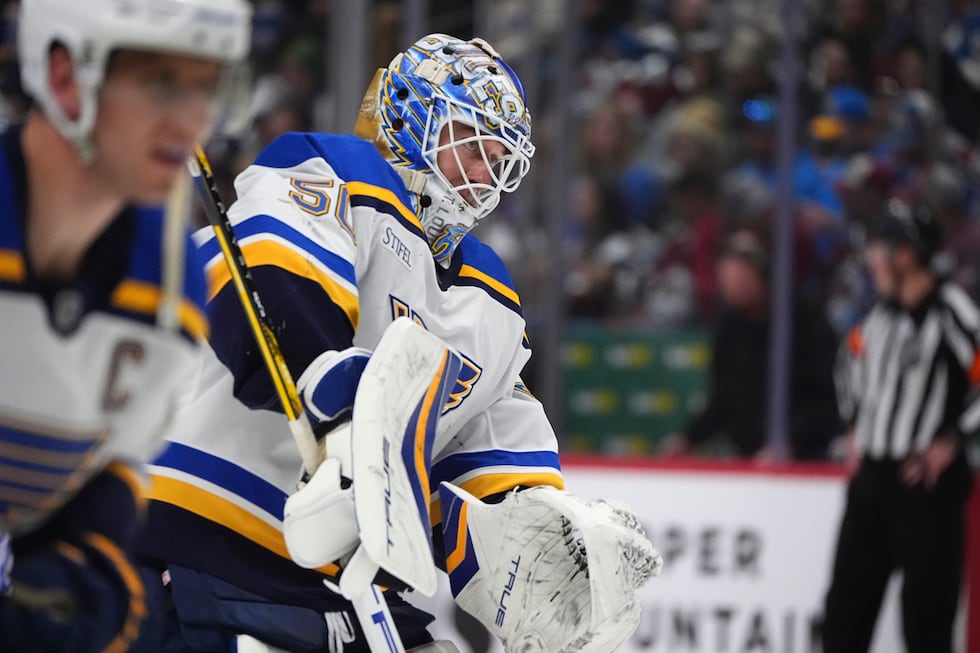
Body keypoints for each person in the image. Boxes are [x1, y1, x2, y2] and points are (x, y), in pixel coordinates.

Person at [132, 34, 660, 653]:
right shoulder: (339, 172)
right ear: (410, 118)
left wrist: (546, 539)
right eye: (470, 147)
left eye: (498, 161)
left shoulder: (490, 300)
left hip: (351, 590)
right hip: (209, 538)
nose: (483, 177)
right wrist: (340, 402)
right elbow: (275, 281)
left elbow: (489, 461)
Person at [0, 0, 251, 651]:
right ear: (63, 77)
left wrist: (78, 596)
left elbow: (92, 527)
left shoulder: (171, 283)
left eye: (206, 85)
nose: (191, 120)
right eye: (159, 82)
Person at [822, 200, 979, 653]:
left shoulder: (950, 311)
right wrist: (853, 424)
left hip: (926, 489)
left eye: (878, 250)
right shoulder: (877, 317)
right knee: (843, 618)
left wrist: (951, 438)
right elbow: (847, 363)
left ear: (905, 256)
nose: (871, 262)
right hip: (873, 483)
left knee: (926, 625)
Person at [659, 227, 841, 460]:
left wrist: (789, 443)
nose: (734, 290)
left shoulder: (804, 320)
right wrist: (687, 438)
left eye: (742, 280)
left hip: (805, 458)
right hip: (749, 456)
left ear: (763, 274)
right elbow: (722, 398)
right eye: (728, 283)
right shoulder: (730, 327)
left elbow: (826, 401)